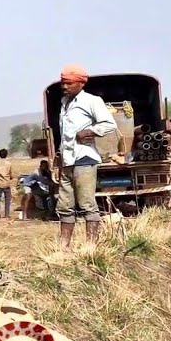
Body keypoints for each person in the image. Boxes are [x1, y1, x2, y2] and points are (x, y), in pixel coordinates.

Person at [55, 65, 116, 247]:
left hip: (84, 158)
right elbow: (65, 135)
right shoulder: (64, 102)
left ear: (81, 83)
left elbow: (109, 124)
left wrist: (90, 131)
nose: (64, 87)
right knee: (64, 205)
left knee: (87, 203)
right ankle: (64, 246)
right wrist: (59, 157)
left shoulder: (92, 101)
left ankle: (91, 247)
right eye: (63, 83)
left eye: (69, 83)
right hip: (67, 160)